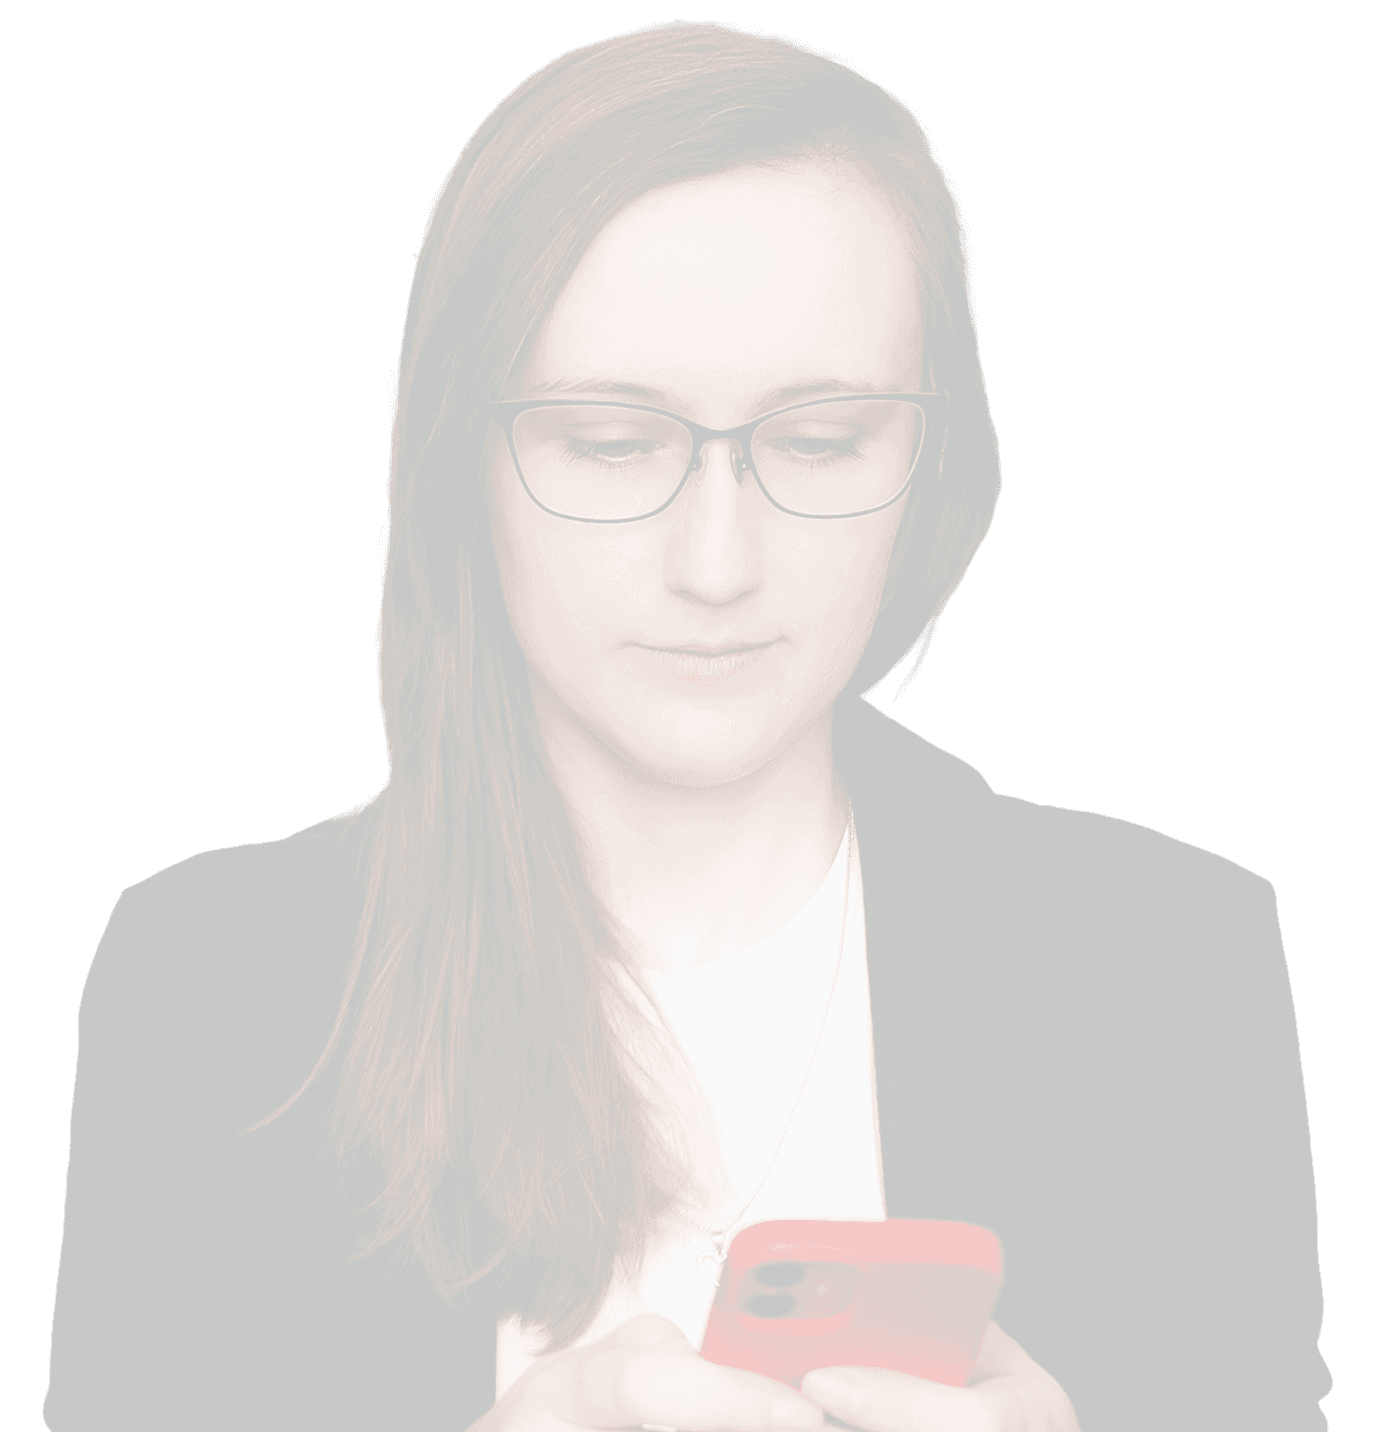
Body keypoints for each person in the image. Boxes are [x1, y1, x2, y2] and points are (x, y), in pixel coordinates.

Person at [43, 20, 1330, 1432]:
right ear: (461, 460)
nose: (716, 565)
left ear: (930, 463)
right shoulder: (211, 992)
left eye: (820, 441)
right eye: (611, 444)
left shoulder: (1167, 965)